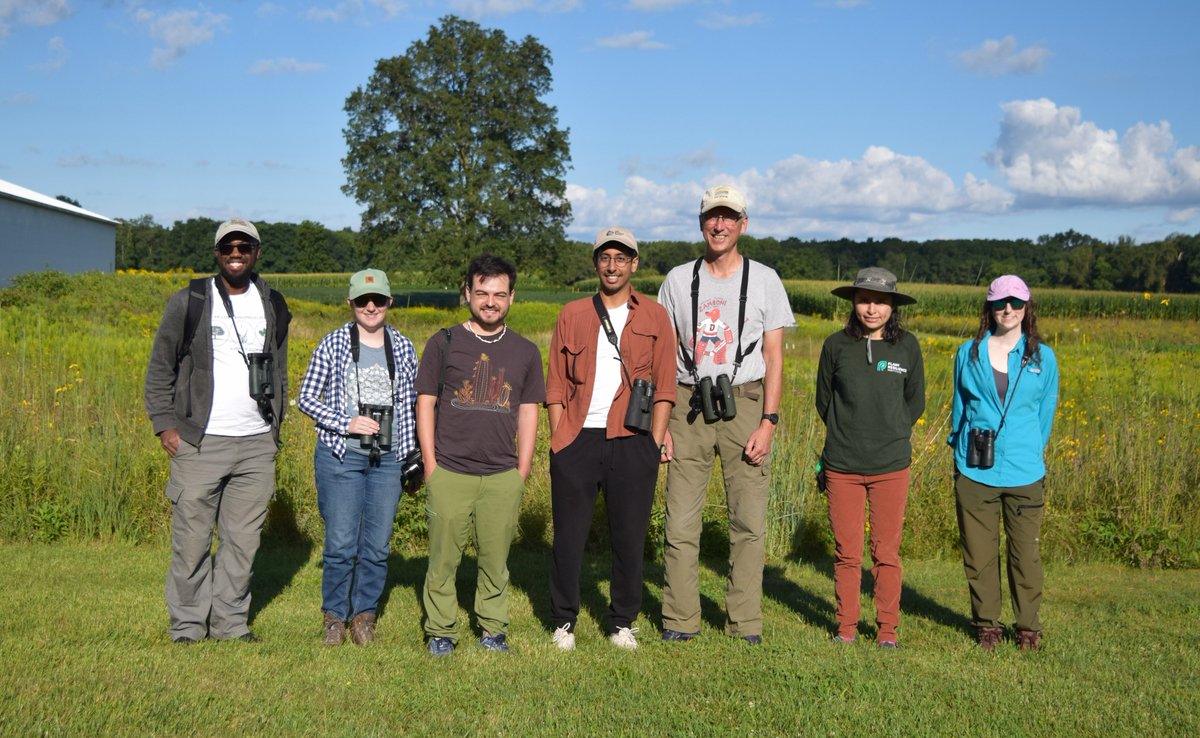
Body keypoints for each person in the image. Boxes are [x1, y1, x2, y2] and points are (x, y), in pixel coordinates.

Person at [657, 185, 795, 645]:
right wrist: (662, 424)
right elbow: (660, 353)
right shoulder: (677, 280)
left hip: (747, 403)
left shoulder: (765, 280)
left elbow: (775, 357)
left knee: (749, 522)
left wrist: (769, 422)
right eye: (711, 217)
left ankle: (744, 624)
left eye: (728, 217)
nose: (719, 225)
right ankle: (680, 619)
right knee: (680, 521)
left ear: (743, 224)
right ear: (701, 224)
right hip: (686, 403)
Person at [144, 218, 290, 643]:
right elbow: (160, 368)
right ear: (217, 253)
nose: (236, 254)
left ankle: (230, 625)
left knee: (242, 544)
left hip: (256, 443)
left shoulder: (273, 303)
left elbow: (277, 369)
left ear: (257, 253)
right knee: (191, 541)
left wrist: (275, 427)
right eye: (228, 247)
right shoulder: (190, 299)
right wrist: (165, 426)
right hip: (198, 440)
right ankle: (188, 626)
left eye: (244, 247)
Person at [545, 227, 677, 651]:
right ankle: (563, 621)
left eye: (622, 258)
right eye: (606, 257)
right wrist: (559, 437)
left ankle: (622, 621)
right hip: (578, 438)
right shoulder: (572, 314)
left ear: (634, 264)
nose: (613, 265)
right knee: (568, 536)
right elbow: (555, 385)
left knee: (629, 536)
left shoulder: (655, 317)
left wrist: (652, 441)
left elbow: (666, 386)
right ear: (596, 263)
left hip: (633, 439)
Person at [415, 254, 545, 656]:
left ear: (511, 297)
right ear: (467, 293)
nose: (491, 301)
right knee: (443, 559)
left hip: (502, 474)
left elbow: (528, 412)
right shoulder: (444, 342)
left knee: (495, 559)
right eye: (483, 292)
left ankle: (492, 629)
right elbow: (425, 403)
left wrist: (521, 470)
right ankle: (441, 630)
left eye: (500, 294)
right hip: (450, 469)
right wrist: (431, 465)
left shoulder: (525, 351)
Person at [297, 269, 418, 646]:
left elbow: (411, 407)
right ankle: (334, 616)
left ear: (389, 303)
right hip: (341, 456)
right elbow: (306, 398)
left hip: (388, 459)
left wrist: (412, 456)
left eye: (378, 300)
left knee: (378, 544)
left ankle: (364, 615)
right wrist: (345, 422)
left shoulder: (403, 347)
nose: (371, 306)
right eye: (363, 301)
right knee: (341, 542)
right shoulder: (332, 344)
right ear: (349, 303)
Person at [816, 267, 925, 648]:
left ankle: (887, 631)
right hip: (842, 465)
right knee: (847, 552)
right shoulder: (835, 346)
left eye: (880, 301)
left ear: (893, 306)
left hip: (891, 466)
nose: (872, 308)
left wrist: (889, 432)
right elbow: (824, 401)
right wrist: (850, 434)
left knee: (886, 553)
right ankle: (845, 628)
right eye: (864, 300)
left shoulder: (908, 346)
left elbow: (915, 401)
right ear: (853, 303)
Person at [949, 275, 1058, 652]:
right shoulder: (969, 352)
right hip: (974, 469)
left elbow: (1045, 415)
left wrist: (1028, 449)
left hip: (1025, 471)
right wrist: (957, 453)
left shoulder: (1044, 357)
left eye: (1015, 302)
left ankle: (1028, 627)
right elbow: (959, 408)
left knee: (1025, 553)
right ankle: (987, 626)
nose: (1008, 309)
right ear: (990, 308)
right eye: (1000, 303)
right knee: (979, 554)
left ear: (1027, 307)